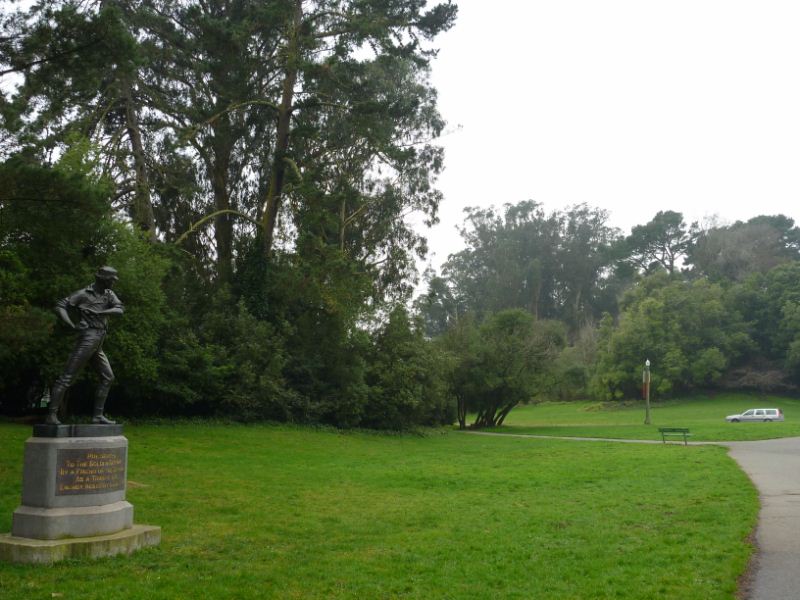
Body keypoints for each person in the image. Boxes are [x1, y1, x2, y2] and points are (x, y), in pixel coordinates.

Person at [46, 266, 124, 425]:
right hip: (88, 337)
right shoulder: (83, 294)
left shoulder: (108, 294)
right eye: (111, 279)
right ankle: (51, 415)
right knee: (67, 377)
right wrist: (71, 324)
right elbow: (61, 305)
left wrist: (101, 313)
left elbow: (120, 309)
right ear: (102, 278)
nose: (113, 283)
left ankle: (97, 416)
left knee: (108, 377)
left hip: (99, 339)